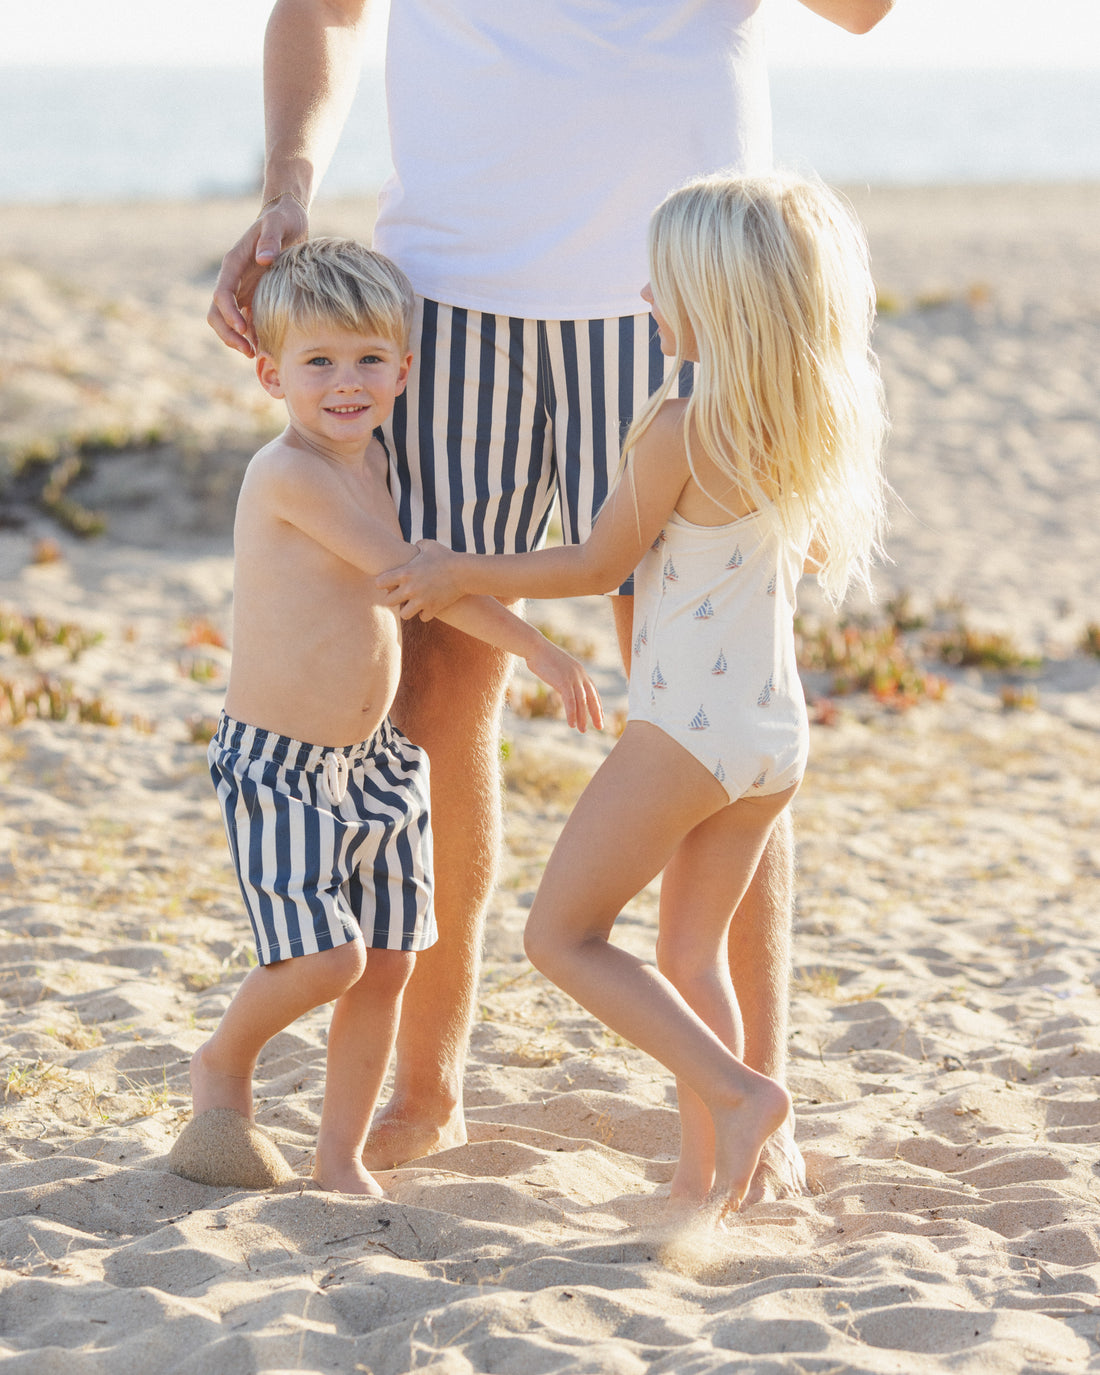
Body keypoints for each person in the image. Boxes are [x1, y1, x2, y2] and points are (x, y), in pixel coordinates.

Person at [206, 0, 895, 1197]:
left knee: (711, 691)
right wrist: (286, 182)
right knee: (429, 684)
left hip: (683, 283)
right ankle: (426, 1087)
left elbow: (862, 12)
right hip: (448, 295)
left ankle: (748, 1100)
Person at [378, 171, 888, 1214]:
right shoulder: (798, 423)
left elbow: (591, 560)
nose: (645, 300)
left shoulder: (679, 428)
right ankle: (700, 1178)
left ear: (712, 300)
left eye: (661, 285)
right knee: (688, 952)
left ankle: (740, 1094)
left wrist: (461, 569)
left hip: (684, 736)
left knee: (560, 936)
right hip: (769, 739)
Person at [191, 237, 602, 1196]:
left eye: (370, 360)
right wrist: (535, 647)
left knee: (388, 959)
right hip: (281, 765)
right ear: (269, 372)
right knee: (327, 956)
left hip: (373, 763)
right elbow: (416, 578)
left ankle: (337, 1156)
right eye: (318, 362)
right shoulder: (290, 473)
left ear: (404, 370)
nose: (346, 382)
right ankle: (222, 1057)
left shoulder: (372, 459)